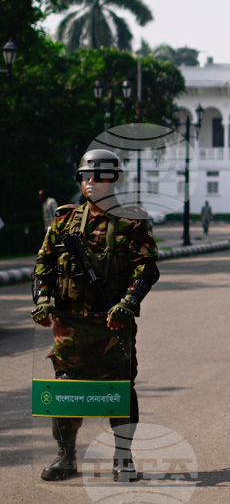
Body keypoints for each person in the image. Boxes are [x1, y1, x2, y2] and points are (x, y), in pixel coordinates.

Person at [31, 149, 159, 482]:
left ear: (114, 179)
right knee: (66, 390)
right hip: (69, 324)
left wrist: (127, 304)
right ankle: (66, 458)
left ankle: (123, 459)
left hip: (111, 321)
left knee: (120, 389)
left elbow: (146, 269)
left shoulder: (132, 221)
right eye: (85, 176)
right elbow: (43, 266)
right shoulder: (64, 219)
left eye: (98, 176)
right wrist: (43, 300)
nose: (90, 182)